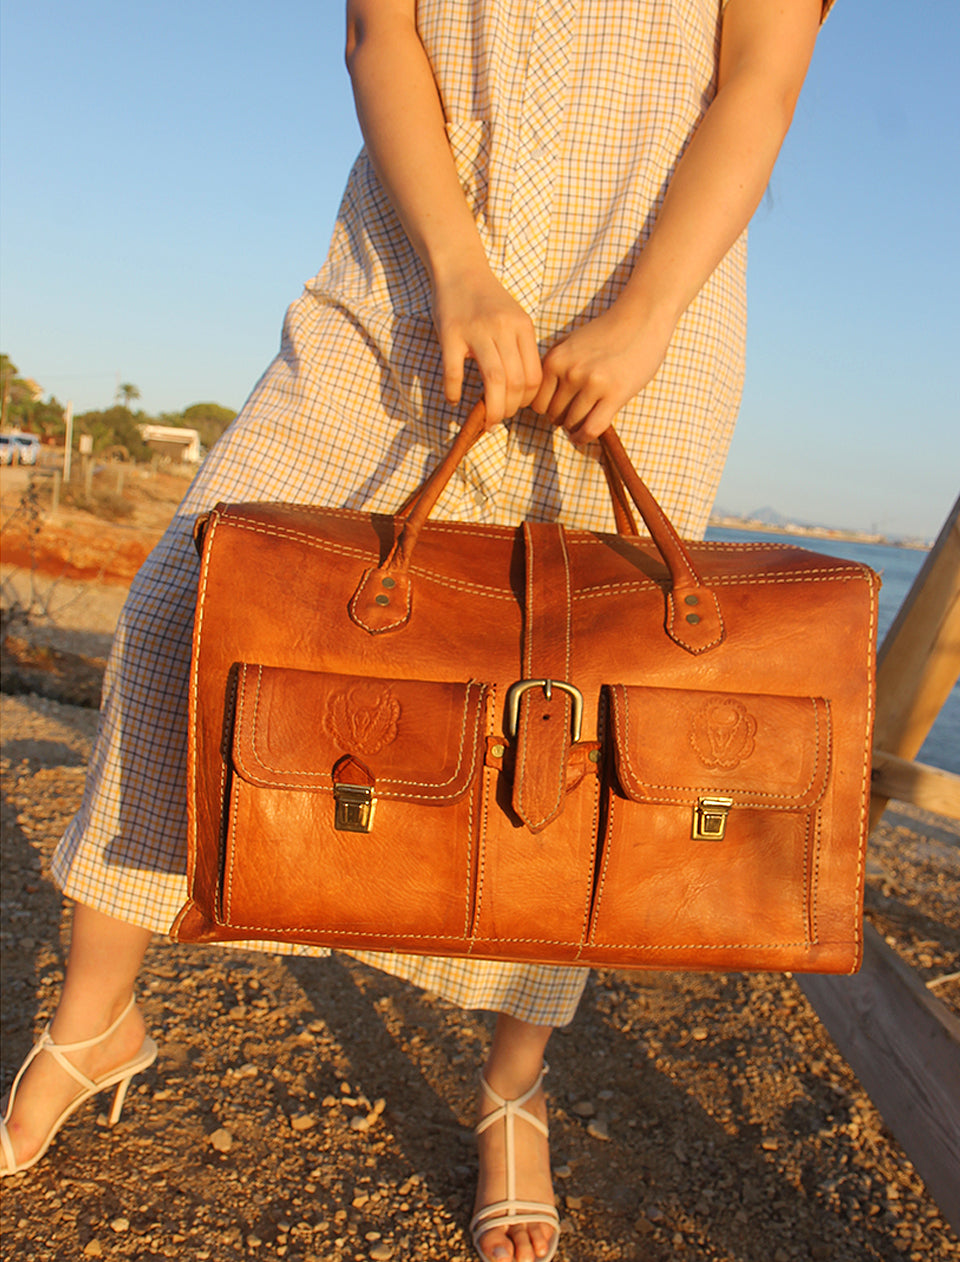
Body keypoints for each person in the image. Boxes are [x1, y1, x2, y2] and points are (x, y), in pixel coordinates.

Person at [1, 2, 835, 1259]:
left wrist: (650, 312)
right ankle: (93, 1018)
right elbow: (377, 32)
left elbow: (756, 84)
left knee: (555, 724)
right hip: (404, 288)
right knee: (185, 611)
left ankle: (511, 1087)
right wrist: (455, 269)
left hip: (642, 319)